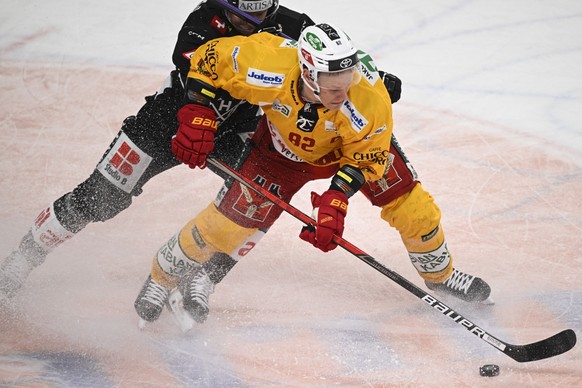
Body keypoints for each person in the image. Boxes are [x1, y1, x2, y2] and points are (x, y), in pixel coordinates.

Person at [134, 22, 492, 327]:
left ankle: (441, 277)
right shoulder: (266, 62)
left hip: (350, 151)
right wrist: (198, 111)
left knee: (414, 208)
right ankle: (160, 277)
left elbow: (368, 159)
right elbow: (207, 60)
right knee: (227, 224)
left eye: (348, 81)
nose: (344, 93)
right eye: (334, 87)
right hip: (280, 153)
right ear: (307, 72)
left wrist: (337, 197)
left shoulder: (368, 97)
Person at [0, 0, 317, 299]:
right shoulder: (202, 21)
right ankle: (25, 256)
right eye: (241, 19)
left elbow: (326, 76)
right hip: (169, 120)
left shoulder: (296, 27)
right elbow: (199, 74)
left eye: (262, 16)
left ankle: (204, 277)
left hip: (236, 126)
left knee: (258, 197)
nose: (253, 25)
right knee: (100, 197)